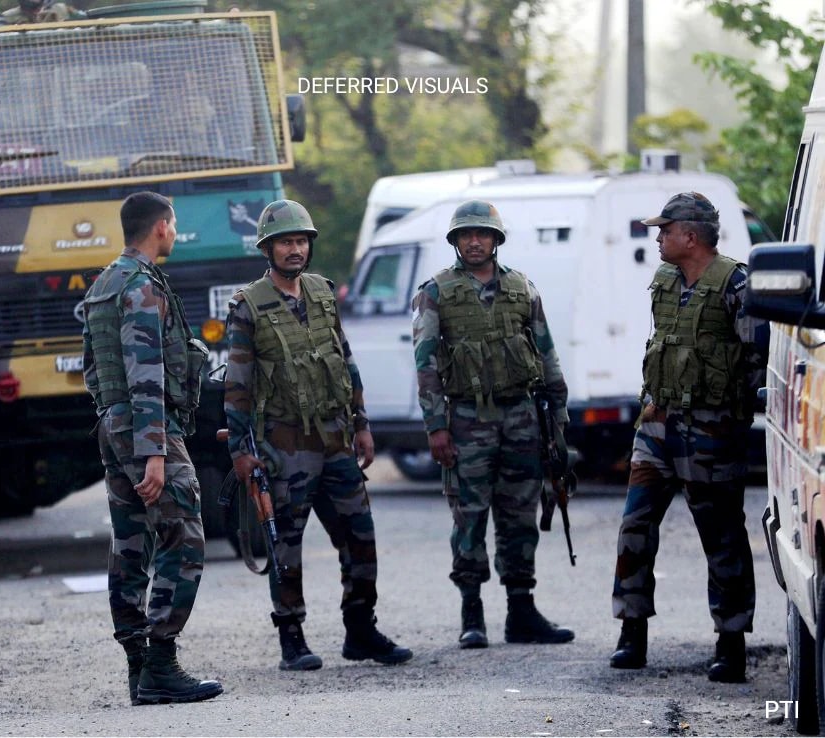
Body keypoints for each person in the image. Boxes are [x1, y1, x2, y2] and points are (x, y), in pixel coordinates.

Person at [223, 199, 412, 671]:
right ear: (268, 249)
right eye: (286, 242)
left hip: (335, 439)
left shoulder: (324, 293)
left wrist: (362, 424)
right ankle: (292, 638)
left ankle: (361, 629)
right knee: (285, 541)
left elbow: (344, 360)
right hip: (284, 445)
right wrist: (241, 451)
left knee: (359, 535)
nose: (295, 249)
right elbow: (238, 384)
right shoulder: (248, 307)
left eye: (301, 240)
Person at [609, 192, 768, 682]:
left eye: (665, 230)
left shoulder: (736, 283)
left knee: (721, 536)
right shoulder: (663, 280)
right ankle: (631, 632)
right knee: (634, 527)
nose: (658, 237)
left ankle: (731, 641)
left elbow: (758, 359)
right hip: (656, 425)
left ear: (690, 236)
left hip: (712, 431)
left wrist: (728, 414)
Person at [411, 199, 575, 650]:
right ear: (456, 241)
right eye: (466, 235)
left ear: (496, 240)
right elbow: (424, 363)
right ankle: (472, 613)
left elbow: (547, 354)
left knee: (519, 515)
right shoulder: (436, 292)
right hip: (466, 418)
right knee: (469, 516)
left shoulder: (523, 288)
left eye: (483, 234)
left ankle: (521, 611)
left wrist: (558, 422)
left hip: (521, 417)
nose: (475, 241)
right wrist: (436, 426)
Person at [81, 191, 221, 705]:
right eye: (174, 224)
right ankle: (160, 662)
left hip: (114, 425)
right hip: (147, 427)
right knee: (184, 535)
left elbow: (92, 370)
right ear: (160, 227)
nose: (176, 232)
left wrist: (115, 426)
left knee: (131, 545)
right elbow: (146, 372)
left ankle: (139, 668)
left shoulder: (103, 284)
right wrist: (155, 450)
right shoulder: (140, 286)